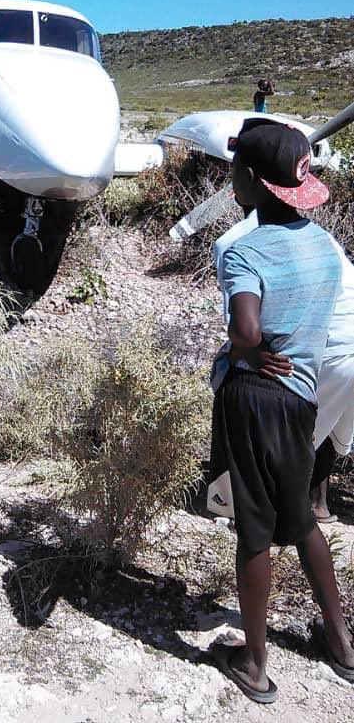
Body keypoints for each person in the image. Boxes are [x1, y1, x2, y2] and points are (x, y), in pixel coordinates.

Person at [208, 118, 354, 701]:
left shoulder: (245, 251)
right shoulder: (324, 243)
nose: (232, 176)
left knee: (254, 529)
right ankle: (342, 644)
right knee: (301, 516)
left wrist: (251, 348)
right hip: (301, 398)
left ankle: (255, 664)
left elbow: (246, 328)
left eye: (236, 169)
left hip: (252, 399)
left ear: (252, 181)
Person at [214, 212, 354, 526]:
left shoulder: (237, 244)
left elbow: (244, 331)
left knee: (288, 439)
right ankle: (315, 503)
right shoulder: (316, 234)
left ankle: (258, 512)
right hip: (346, 337)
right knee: (326, 428)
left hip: (329, 349)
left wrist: (242, 358)